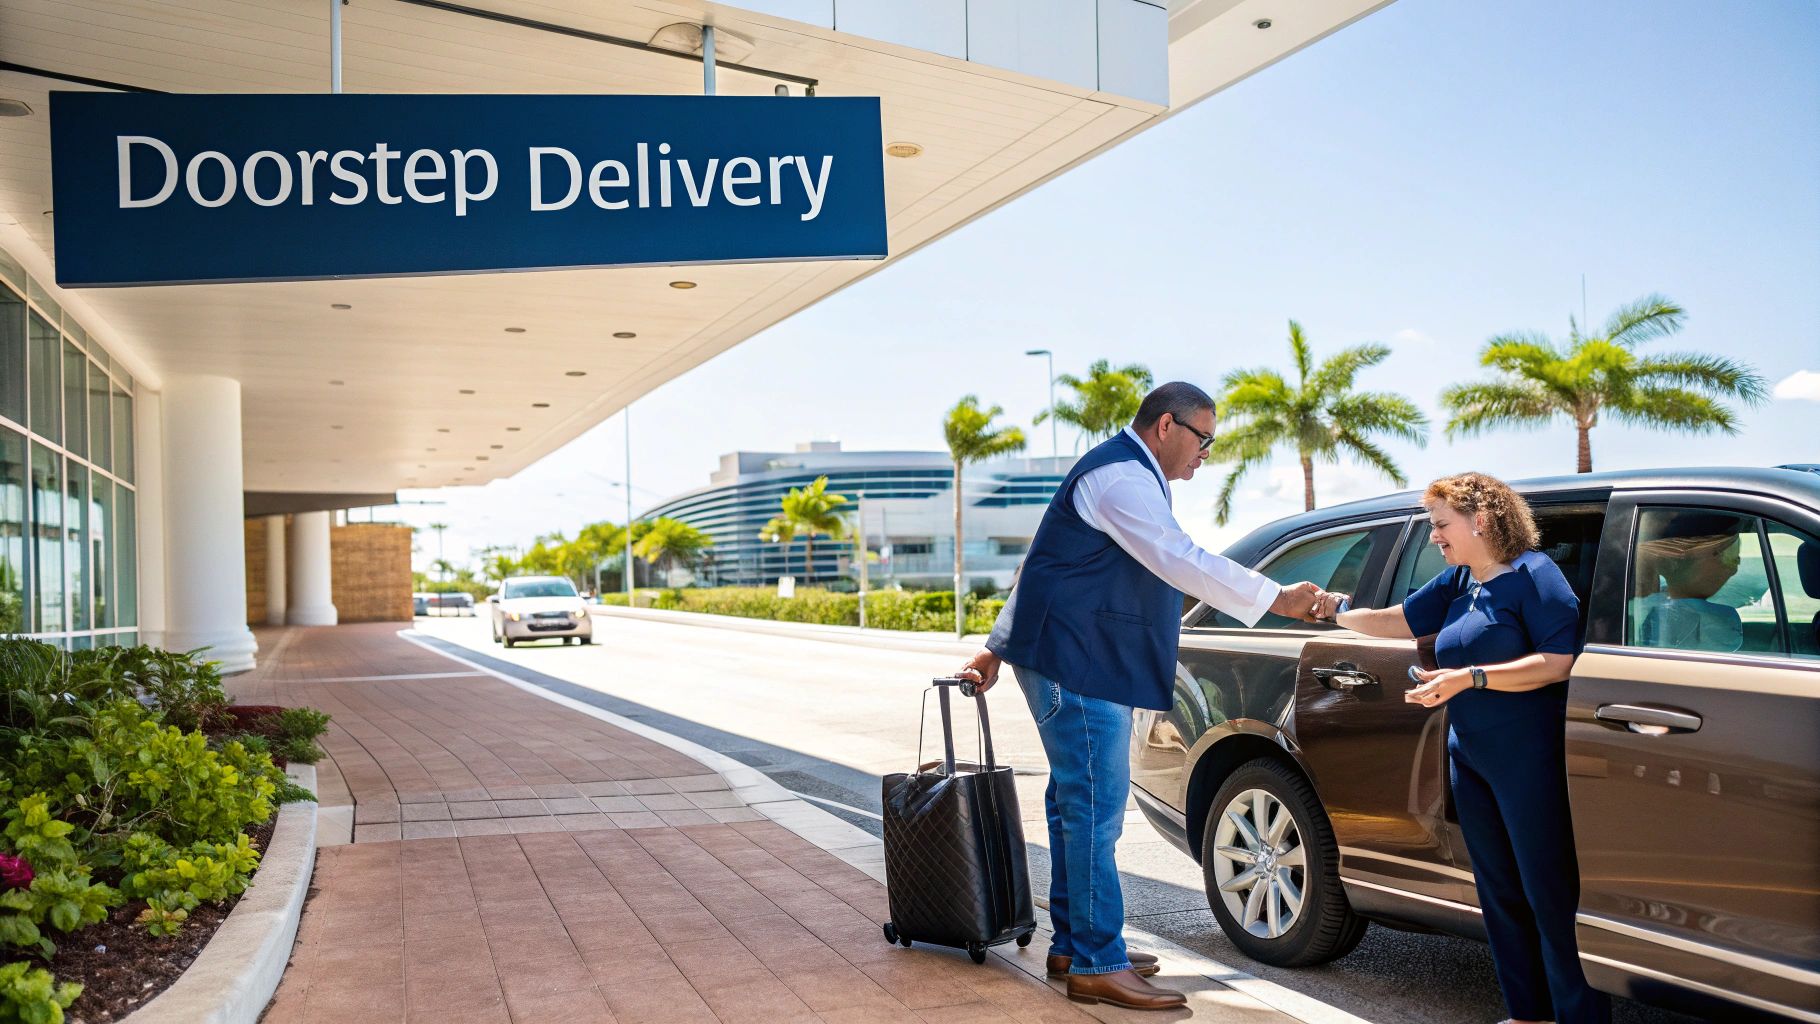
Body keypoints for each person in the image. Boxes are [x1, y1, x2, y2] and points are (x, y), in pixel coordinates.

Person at [956, 382, 1327, 1011]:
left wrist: (997, 647)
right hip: (1078, 664)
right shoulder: (1122, 477)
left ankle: (1075, 944)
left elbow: (1045, 564)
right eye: (1203, 438)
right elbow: (1179, 559)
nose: (1207, 453)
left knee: (1074, 804)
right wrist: (1276, 598)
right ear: (1165, 426)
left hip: (1073, 658)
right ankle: (1098, 962)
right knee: (1093, 809)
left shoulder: (1125, 473)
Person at [1313, 472, 1611, 1024]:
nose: (1434, 536)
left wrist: (1470, 677)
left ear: (1481, 520)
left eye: (1440, 524)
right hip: (1468, 754)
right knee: (1497, 890)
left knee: (1548, 892)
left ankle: (1578, 1016)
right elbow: (1397, 621)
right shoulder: (1459, 581)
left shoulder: (1535, 575)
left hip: (1528, 756)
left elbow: (1558, 662)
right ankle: (1528, 1014)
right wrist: (1334, 609)